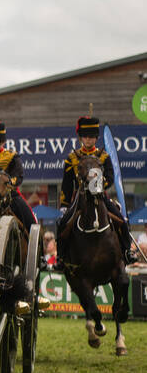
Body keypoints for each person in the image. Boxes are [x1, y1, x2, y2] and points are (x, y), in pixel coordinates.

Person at [57, 116, 137, 275]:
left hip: (100, 197)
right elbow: (67, 185)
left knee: (119, 218)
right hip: (79, 199)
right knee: (63, 223)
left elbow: (110, 177)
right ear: (81, 138)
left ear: (96, 138)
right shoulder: (71, 158)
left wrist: (99, 185)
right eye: (85, 136)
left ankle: (127, 250)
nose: (88, 139)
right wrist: (64, 205)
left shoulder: (104, 157)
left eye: (92, 136)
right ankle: (61, 257)